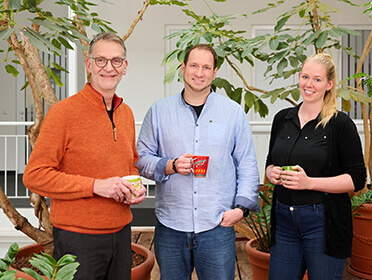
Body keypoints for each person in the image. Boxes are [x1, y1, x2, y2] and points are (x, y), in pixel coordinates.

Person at [23, 32, 147, 280]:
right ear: (89, 65)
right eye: (101, 60)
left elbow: (130, 164)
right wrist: (95, 186)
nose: (108, 68)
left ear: (125, 67)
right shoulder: (63, 113)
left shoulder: (126, 114)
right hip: (77, 239)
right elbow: (34, 176)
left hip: (122, 233)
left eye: (116, 61)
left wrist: (135, 185)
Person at [136, 44, 260, 280]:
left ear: (214, 73)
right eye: (193, 65)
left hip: (217, 225)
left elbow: (247, 164)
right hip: (171, 225)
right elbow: (141, 160)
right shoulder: (159, 112)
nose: (199, 73)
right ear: (183, 69)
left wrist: (241, 209)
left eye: (206, 67)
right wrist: (170, 165)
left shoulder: (233, 113)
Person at [265, 53, 366, 280]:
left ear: (329, 84)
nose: (308, 84)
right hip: (283, 221)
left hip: (322, 223)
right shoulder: (282, 119)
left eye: (317, 79)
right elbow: (270, 161)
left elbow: (357, 178)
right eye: (305, 77)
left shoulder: (340, 124)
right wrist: (271, 172)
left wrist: (309, 183)